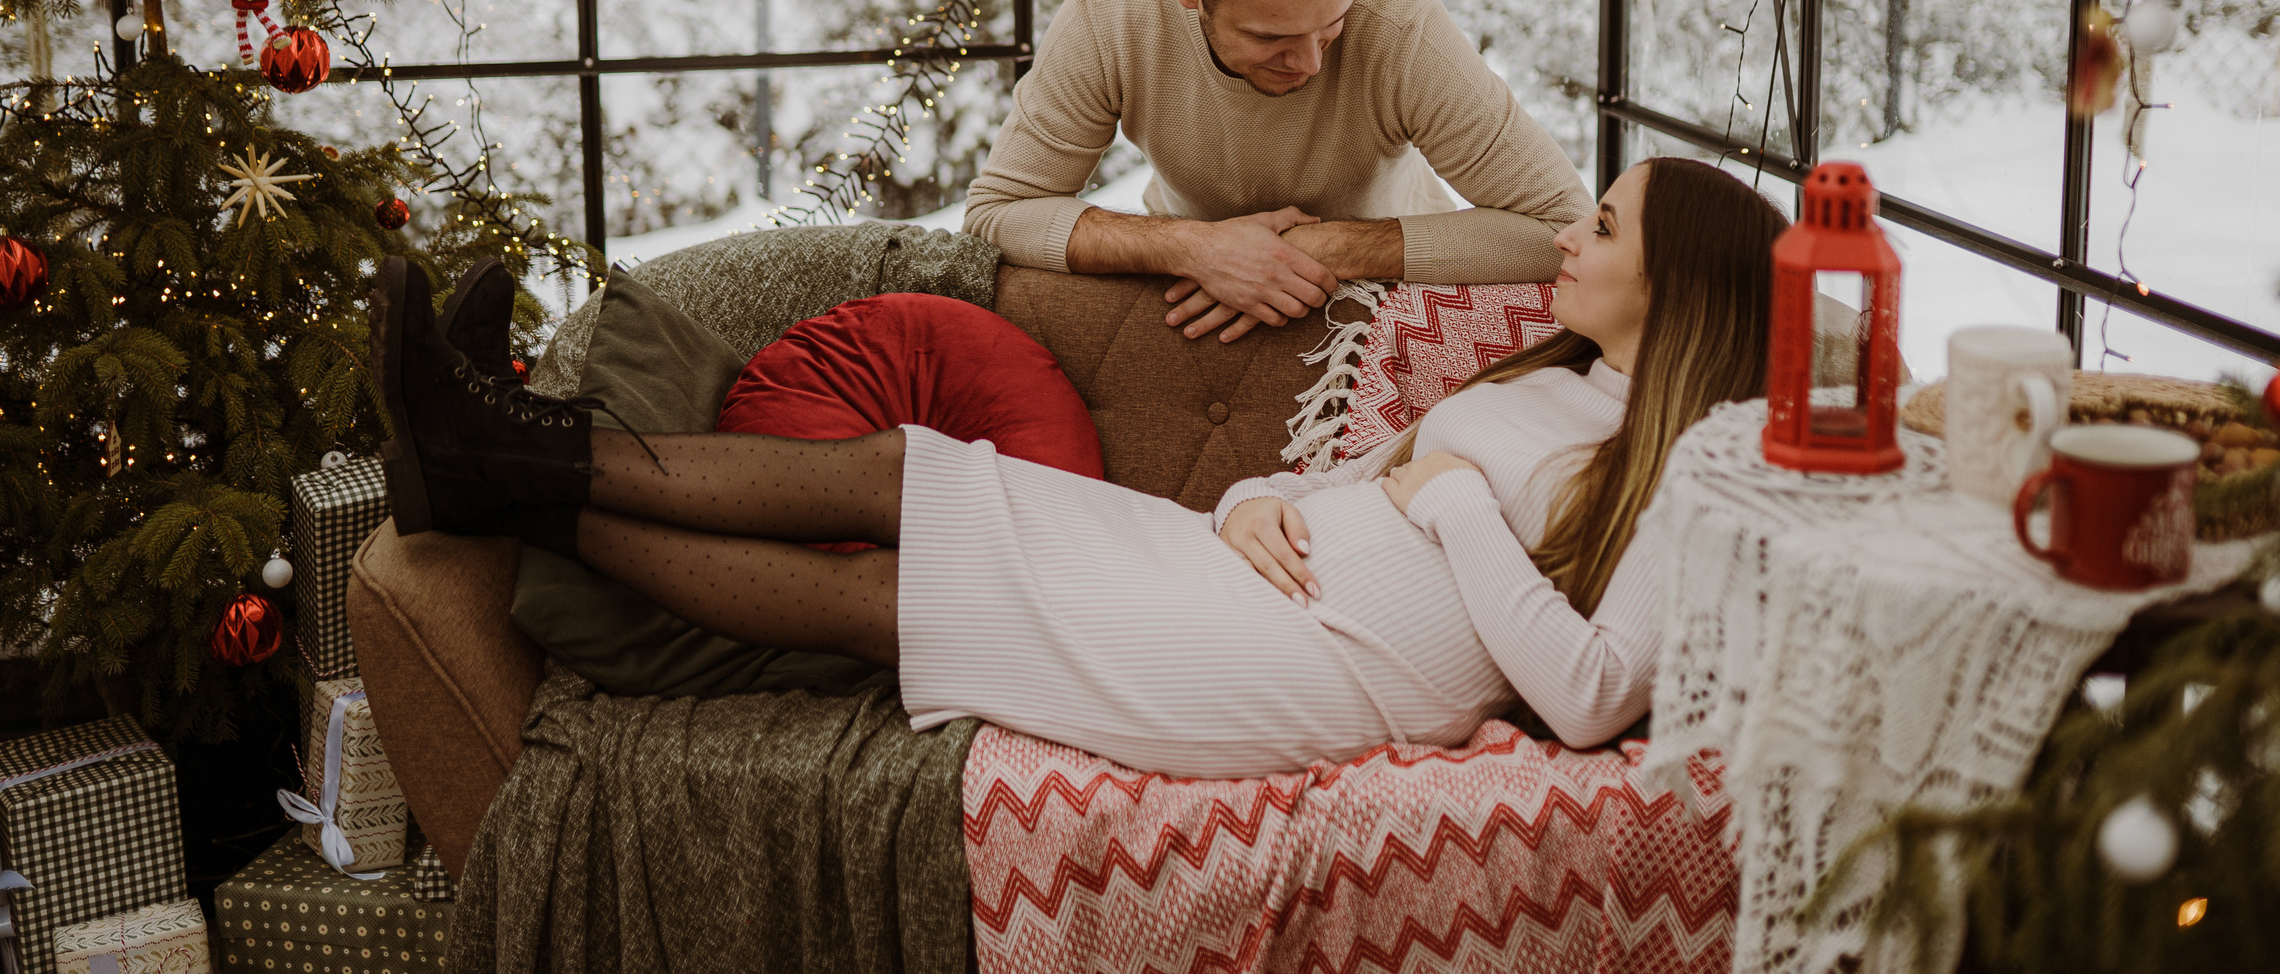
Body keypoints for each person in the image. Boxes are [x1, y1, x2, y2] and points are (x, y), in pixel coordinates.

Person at [376, 156, 1786, 780]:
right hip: (1232, 580)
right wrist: (1248, 504)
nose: (1565, 242)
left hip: (1292, 669)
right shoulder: (1551, 376)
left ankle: (497, 465)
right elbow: (1350, 481)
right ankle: (500, 448)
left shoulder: (1697, 465)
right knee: (897, 468)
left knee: (887, 598)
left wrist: (1462, 507)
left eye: (1600, 229)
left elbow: (1595, 696)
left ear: (1677, 286)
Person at [962, 0, 1590, 342]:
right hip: (1197, 284)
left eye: (1331, 26)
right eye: (1270, 38)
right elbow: (997, 213)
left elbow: (1564, 224)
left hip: (1398, 285)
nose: (1311, 65)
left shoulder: (1400, 20)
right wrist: (1193, 247)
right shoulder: (1114, 9)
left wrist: (1320, 247)